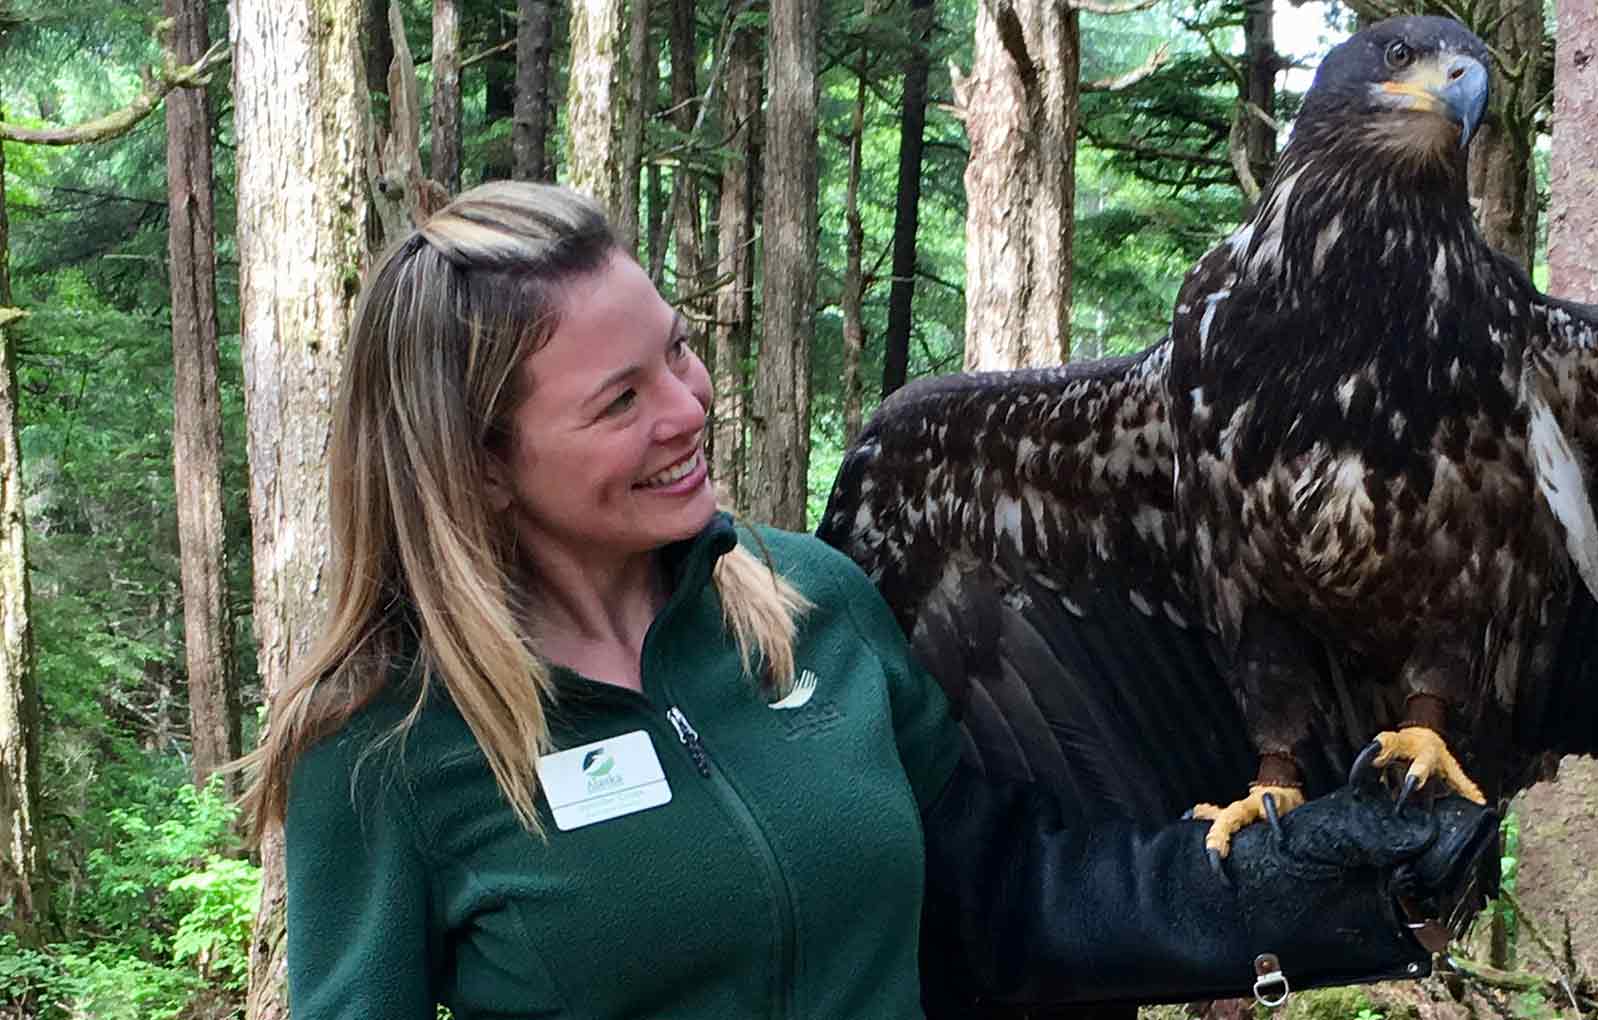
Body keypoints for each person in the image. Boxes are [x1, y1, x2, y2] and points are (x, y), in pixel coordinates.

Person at [238, 181, 1495, 1019]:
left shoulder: (811, 604)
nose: (688, 409)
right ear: (481, 464)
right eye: (619, 401)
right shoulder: (386, 749)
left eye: (676, 348)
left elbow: (994, 894)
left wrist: (1285, 891)